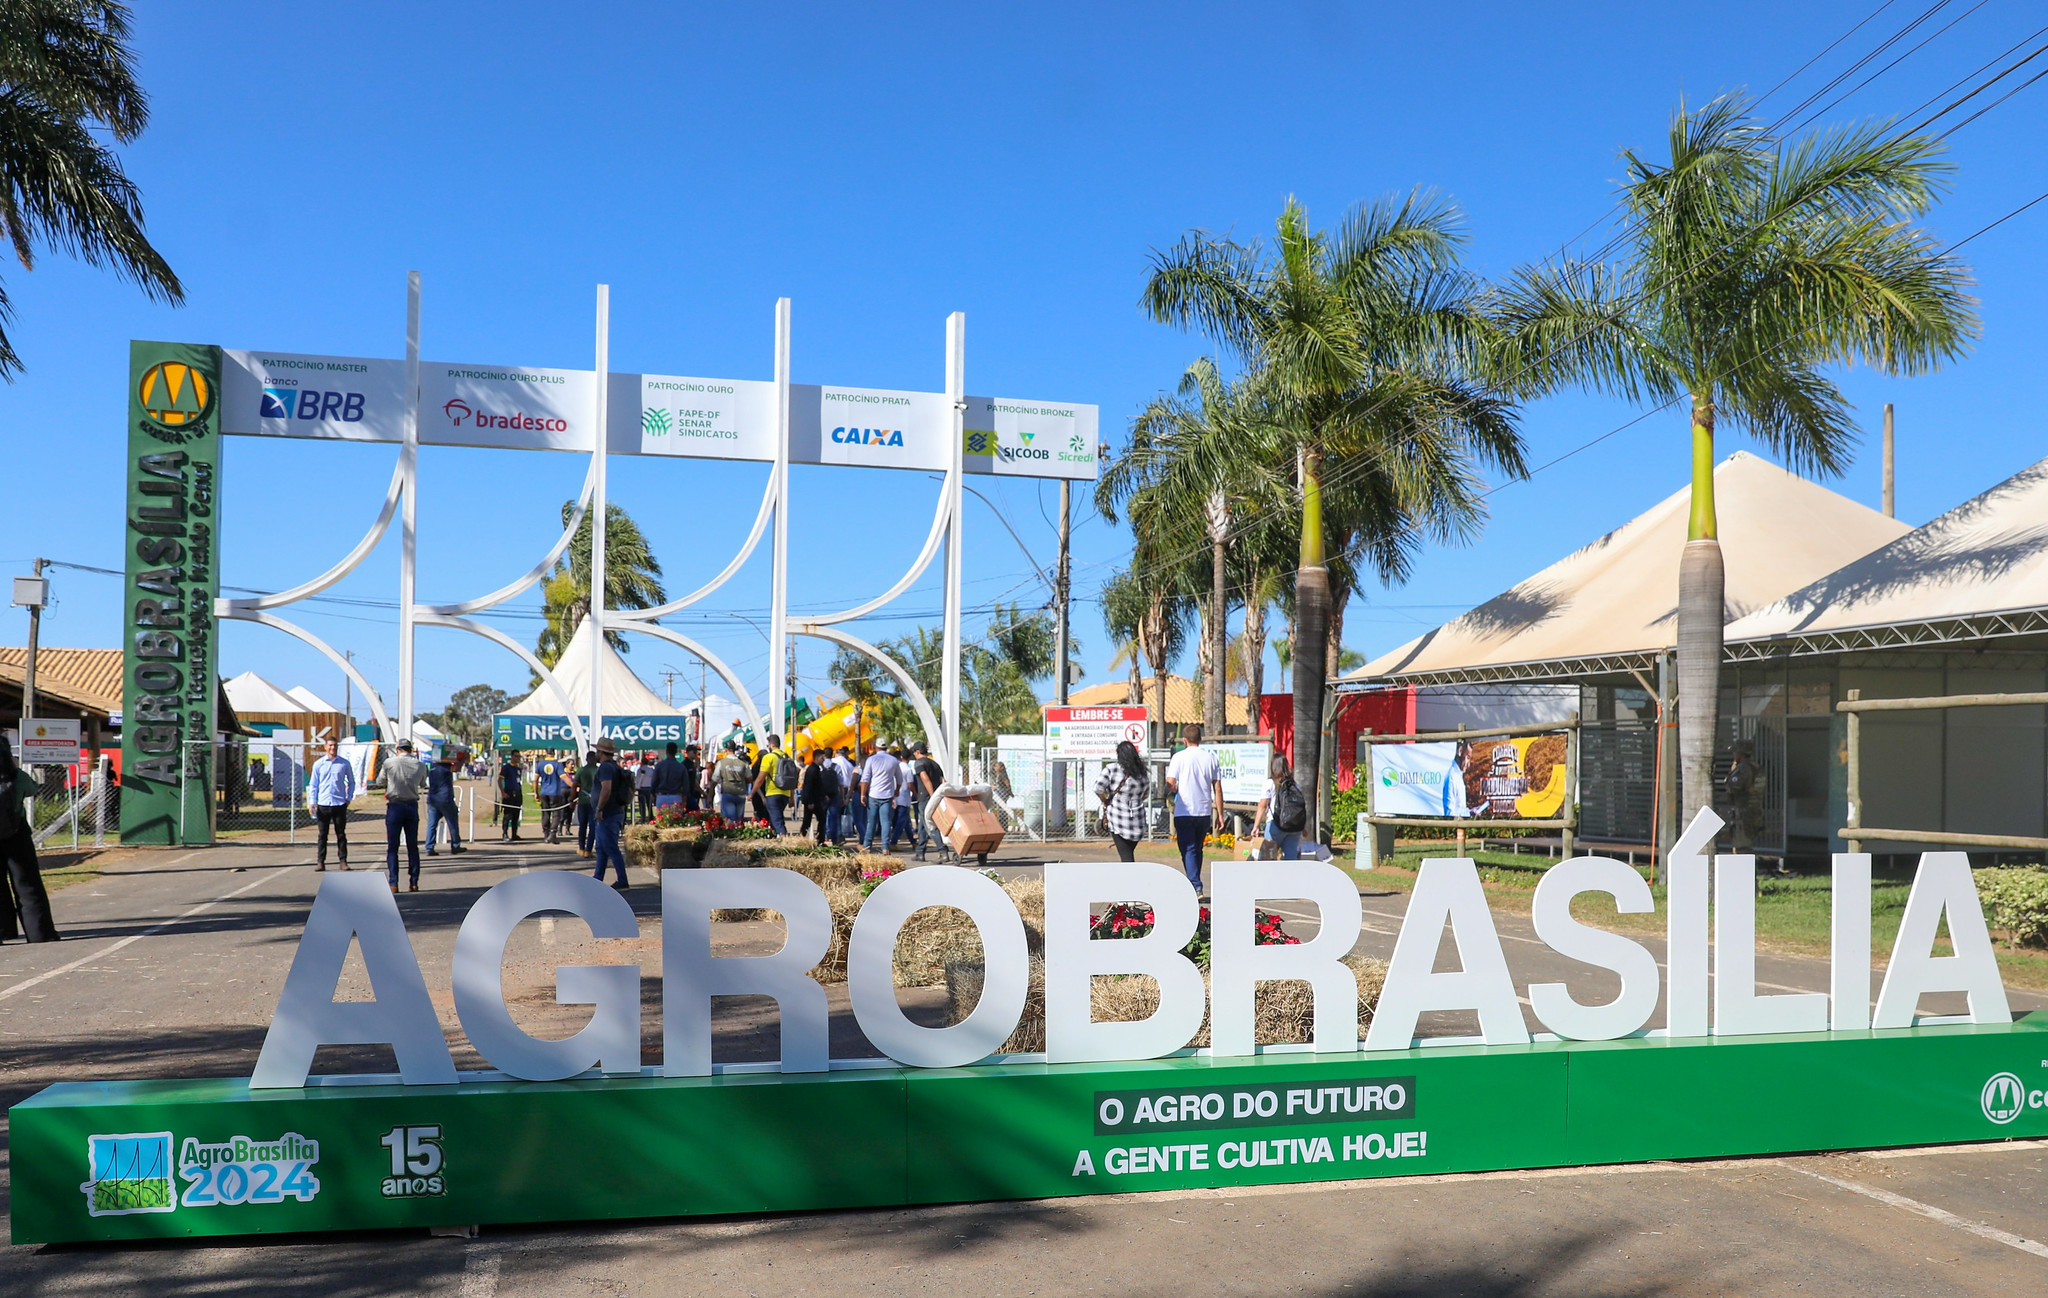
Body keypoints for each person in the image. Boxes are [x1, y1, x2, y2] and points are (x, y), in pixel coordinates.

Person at [0, 737, 60, 943]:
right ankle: (39, 933)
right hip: (17, 835)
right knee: (27, 884)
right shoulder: (19, 778)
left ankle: (5, 930)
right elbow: (33, 790)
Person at [1163, 724, 1224, 893]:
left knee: (1188, 849)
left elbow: (1170, 782)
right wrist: (1220, 813)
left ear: (1184, 740)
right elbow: (1217, 788)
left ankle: (1195, 885)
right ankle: (1194, 881)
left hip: (1184, 810)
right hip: (1203, 810)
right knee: (1197, 848)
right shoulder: (1210, 758)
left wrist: (1173, 789)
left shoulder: (1179, 757)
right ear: (1200, 739)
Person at [1095, 739, 1151, 863]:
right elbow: (1145, 795)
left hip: (1118, 819)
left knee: (1126, 857)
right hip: (1138, 820)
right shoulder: (1143, 772)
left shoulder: (1112, 769)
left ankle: (1130, 880)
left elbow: (1098, 788)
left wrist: (1105, 800)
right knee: (1128, 853)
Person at [383, 739, 428, 892]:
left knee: (393, 847)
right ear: (411, 749)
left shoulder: (389, 763)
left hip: (395, 804)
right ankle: (414, 881)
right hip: (411, 805)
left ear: (398, 749)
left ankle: (393, 882)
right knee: (412, 846)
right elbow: (423, 783)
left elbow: (380, 780)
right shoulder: (420, 765)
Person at [307, 737, 355, 872]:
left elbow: (351, 782)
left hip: (339, 803)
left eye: (334, 745)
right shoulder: (318, 764)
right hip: (323, 804)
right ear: (325, 747)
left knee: (341, 834)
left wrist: (348, 797)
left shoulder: (344, 763)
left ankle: (343, 861)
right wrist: (312, 802)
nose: (332, 748)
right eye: (330, 746)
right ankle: (320, 861)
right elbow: (313, 785)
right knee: (323, 834)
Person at [590, 740, 630, 889]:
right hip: (613, 812)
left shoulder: (606, 768)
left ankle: (622, 879)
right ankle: (598, 877)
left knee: (610, 847)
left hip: (608, 813)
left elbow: (606, 788)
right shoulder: (614, 767)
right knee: (602, 847)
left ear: (600, 752)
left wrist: (599, 807)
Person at [1254, 754, 1307, 861]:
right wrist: (1303, 827)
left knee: (1268, 858)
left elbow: (1262, 806)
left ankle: (1271, 877)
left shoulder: (1269, 783)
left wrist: (1256, 826)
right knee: (1291, 859)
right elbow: (1299, 807)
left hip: (1275, 825)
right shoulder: (1295, 785)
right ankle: (1289, 877)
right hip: (1294, 828)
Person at [859, 739, 903, 852]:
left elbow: (865, 779)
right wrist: (896, 790)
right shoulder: (893, 760)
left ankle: (867, 846)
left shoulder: (871, 759)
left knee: (871, 822)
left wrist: (863, 794)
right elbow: (899, 778)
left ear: (875, 747)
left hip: (874, 794)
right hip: (887, 795)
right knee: (886, 822)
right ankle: (885, 847)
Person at [752, 733, 799, 837]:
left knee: (776, 820)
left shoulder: (769, 757)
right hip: (785, 793)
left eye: (768, 744)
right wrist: (791, 797)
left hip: (773, 793)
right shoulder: (787, 757)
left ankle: (784, 839)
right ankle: (775, 839)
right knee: (775, 818)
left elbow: (760, 778)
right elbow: (791, 779)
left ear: (771, 745)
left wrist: (752, 793)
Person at [909, 742, 946, 861]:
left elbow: (925, 779)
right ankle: (920, 852)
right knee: (922, 827)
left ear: (917, 752)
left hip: (926, 798)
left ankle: (943, 851)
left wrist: (932, 796)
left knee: (930, 825)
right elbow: (943, 781)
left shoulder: (919, 763)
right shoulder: (935, 764)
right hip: (936, 796)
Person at [425, 748, 465, 856]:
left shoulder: (433, 767)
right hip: (445, 799)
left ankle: (429, 847)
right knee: (452, 822)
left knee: (432, 824)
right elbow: (456, 769)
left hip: (432, 799)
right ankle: (455, 845)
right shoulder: (445, 767)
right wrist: (462, 759)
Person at [799, 749, 839, 845]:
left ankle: (820, 840)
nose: (823, 760)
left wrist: (823, 795)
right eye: (822, 758)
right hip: (812, 801)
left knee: (821, 819)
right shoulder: (812, 770)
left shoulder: (816, 769)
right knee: (808, 821)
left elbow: (818, 785)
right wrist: (809, 802)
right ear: (817, 758)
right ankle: (803, 839)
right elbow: (808, 786)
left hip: (816, 800)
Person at [713, 742, 754, 822]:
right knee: (739, 820)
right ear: (735, 750)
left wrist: (710, 794)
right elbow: (749, 779)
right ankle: (738, 831)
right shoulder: (743, 763)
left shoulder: (721, 763)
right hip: (740, 794)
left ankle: (730, 833)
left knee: (729, 820)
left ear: (726, 750)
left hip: (728, 793)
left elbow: (715, 779)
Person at [534, 753, 569, 842]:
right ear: (554, 753)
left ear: (546, 754)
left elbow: (535, 779)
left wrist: (536, 792)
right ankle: (553, 833)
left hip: (544, 792)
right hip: (555, 792)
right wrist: (574, 786)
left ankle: (546, 834)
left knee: (545, 813)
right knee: (556, 813)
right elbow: (564, 777)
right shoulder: (557, 764)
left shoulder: (540, 764)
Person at [829, 745, 859, 845]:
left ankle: (832, 834)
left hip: (836, 788)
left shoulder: (833, 762)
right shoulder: (849, 764)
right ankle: (843, 833)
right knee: (844, 813)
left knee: (833, 813)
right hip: (847, 788)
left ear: (836, 754)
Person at [575, 750, 599, 857]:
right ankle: (588, 850)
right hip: (594, 801)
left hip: (583, 800)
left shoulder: (581, 771)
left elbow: (574, 785)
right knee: (592, 826)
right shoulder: (598, 771)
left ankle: (581, 848)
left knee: (582, 826)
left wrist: (572, 798)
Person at [652, 742, 689, 812]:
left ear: (666, 751)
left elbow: (654, 782)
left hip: (662, 796)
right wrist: (684, 799)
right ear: (676, 751)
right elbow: (686, 785)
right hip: (676, 796)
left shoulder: (659, 766)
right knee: (676, 820)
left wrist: (653, 794)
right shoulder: (681, 767)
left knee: (662, 821)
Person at [496, 755, 525, 841]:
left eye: (519, 757)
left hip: (517, 794)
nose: (518, 758)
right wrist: (503, 792)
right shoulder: (506, 768)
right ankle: (505, 833)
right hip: (509, 793)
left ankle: (514, 834)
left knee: (516, 815)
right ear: (512, 757)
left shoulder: (518, 768)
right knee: (507, 815)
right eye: (516, 756)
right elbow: (500, 780)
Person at [635, 753, 658, 822]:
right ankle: (650, 818)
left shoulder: (640, 770)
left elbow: (638, 780)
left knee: (642, 805)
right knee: (649, 804)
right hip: (649, 788)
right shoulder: (651, 770)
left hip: (642, 788)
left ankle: (643, 818)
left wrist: (637, 787)